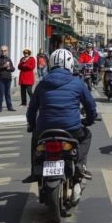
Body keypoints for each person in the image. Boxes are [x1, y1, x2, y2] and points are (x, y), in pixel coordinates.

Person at [24, 48, 96, 183]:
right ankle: (80, 164)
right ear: (70, 64)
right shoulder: (78, 82)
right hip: (71, 129)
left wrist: (32, 125)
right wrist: (90, 119)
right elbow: (90, 106)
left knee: (35, 138)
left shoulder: (42, 83)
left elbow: (32, 108)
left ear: (50, 63)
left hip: (44, 129)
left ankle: (35, 170)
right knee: (87, 135)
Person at [0, 45, 16, 112]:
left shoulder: (9, 59)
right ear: (0, 51)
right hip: (0, 79)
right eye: (2, 51)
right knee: (0, 93)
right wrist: (4, 66)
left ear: (7, 51)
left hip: (8, 79)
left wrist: (10, 68)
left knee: (7, 93)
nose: (3, 52)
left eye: (5, 50)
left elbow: (13, 68)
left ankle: (10, 107)